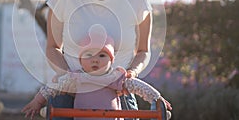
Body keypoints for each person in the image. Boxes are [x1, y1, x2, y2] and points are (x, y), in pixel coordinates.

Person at [29, 0, 171, 119]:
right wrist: (69, 79)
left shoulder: (136, 1)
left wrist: (131, 74)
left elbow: (143, 51)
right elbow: (53, 47)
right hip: (69, 96)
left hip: (119, 94)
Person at [22, 33, 171, 120]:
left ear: (111, 60)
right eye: (89, 55)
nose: (95, 59)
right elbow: (54, 87)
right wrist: (38, 101)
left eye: (101, 55)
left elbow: (138, 87)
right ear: (80, 60)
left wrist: (156, 98)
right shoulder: (76, 78)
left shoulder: (116, 77)